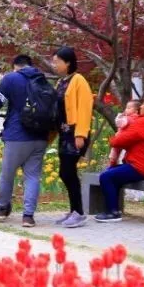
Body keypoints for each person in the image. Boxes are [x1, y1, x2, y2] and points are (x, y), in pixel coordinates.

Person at [0, 54, 51, 228]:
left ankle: (1, 207)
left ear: (15, 66)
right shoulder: (42, 80)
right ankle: (28, 216)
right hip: (40, 136)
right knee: (32, 176)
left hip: (17, 135)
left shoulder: (11, 79)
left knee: (7, 174)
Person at [95, 94, 144, 222]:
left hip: (140, 167)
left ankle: (113, 212)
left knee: (106, 177)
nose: (141, 106)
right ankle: (114, 209)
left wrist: (114, 140)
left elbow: (118, 141)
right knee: (111, 174)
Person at [51, 46, 94, 229]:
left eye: (57, 61)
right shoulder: (61, 82)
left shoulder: (79, 81)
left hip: (76, 133)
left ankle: (79, 213)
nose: (54, 65)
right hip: (64, 133)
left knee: (68, 171)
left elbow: (85, 108)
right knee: (65, 172)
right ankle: (73, 210)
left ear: (68, 62)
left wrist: (81, 134)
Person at [108, 99, 140, 166]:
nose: (126, 109)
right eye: (126, 108)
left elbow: (119, 123)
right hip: (130, 140)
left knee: (115, 150)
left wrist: (119, 116)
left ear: (136, 111)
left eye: (128, 108)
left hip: (121, 137)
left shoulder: (128, 119)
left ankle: (112, 161)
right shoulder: (138, 119)